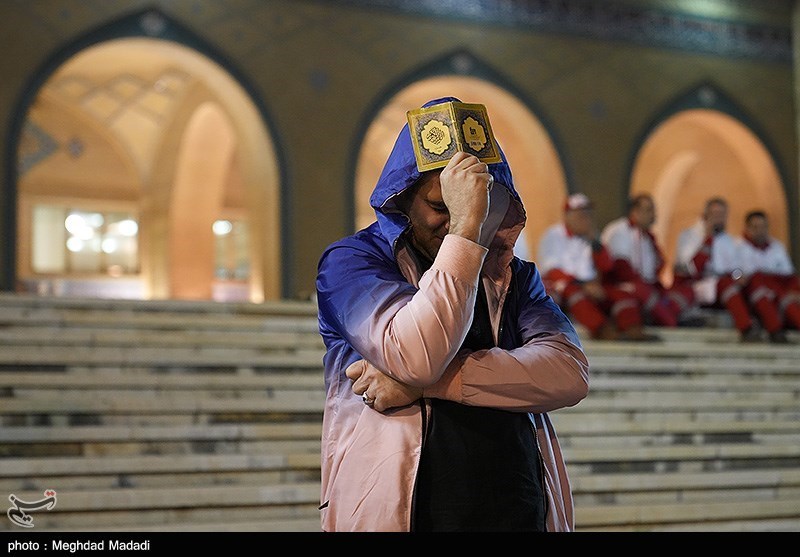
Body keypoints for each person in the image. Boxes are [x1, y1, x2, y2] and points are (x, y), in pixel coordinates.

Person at [315, 97, 590, 532]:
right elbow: (416, 356)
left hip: (516, 506)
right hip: (400, 509)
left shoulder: (514, 276)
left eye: (476, 206)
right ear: (403, 199)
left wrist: (430, 384)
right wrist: (465, 231)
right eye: (442, 207)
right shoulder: (354, 261)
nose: (456, 219)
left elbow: (568, 374)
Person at [536, 193, 659, 341]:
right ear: (567, 216)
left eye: (588, 213)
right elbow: (553, 271)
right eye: (580, 214)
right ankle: (602, 330)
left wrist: (595, 242)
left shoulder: (592, 237)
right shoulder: (553, 234)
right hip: (565, 285)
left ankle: (633, 329)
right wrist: (584, 285)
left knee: (621, 294)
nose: (585, 218)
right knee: (573, 292)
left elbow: (607, 266)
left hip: (592, 285)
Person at [673, 197, 766, 342]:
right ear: (705, 215)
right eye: (715, 215)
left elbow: (735, 270)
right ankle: (746, 328)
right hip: (699, 285)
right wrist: (708, 240)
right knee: (725, 284)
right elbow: (687, 269)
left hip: (723, 285)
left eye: (722, 215)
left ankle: (770, 327)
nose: (719, 219)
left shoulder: (728, 241)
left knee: (753, 284)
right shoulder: (689, 236)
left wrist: (739, 277)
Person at [600, 193, 698, 327]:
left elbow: (658, 266)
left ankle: (662, 315)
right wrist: (645, 285)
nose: (653, 216)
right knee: (645, 292)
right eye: (648, 210)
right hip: (625, 285)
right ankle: (671, 322)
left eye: (653, 211)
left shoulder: (649, 237)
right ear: (635, 212)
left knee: (687, 291)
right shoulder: (619, 231)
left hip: (650, 286)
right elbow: (621, 268)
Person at [733, 210, 799, 342]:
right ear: (747, 228)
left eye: (763, 227)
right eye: (755, 227)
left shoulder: (777, 247)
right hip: (751, 292)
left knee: (787, 298)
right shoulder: (736, 247)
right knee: (759, 286)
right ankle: (775, 329)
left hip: (777, 290)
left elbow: (787, 275)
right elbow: (734, 274)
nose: (760, 231)